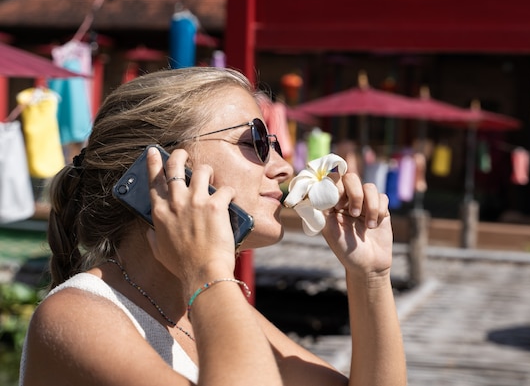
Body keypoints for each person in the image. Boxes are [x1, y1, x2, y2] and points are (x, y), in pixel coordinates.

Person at [19, 67, 406, 386]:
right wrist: (208, 271)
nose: (284, 167)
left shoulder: (202, 305)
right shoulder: (77, 315)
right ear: (163, 167)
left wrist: (370, 276)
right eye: (255, 140)